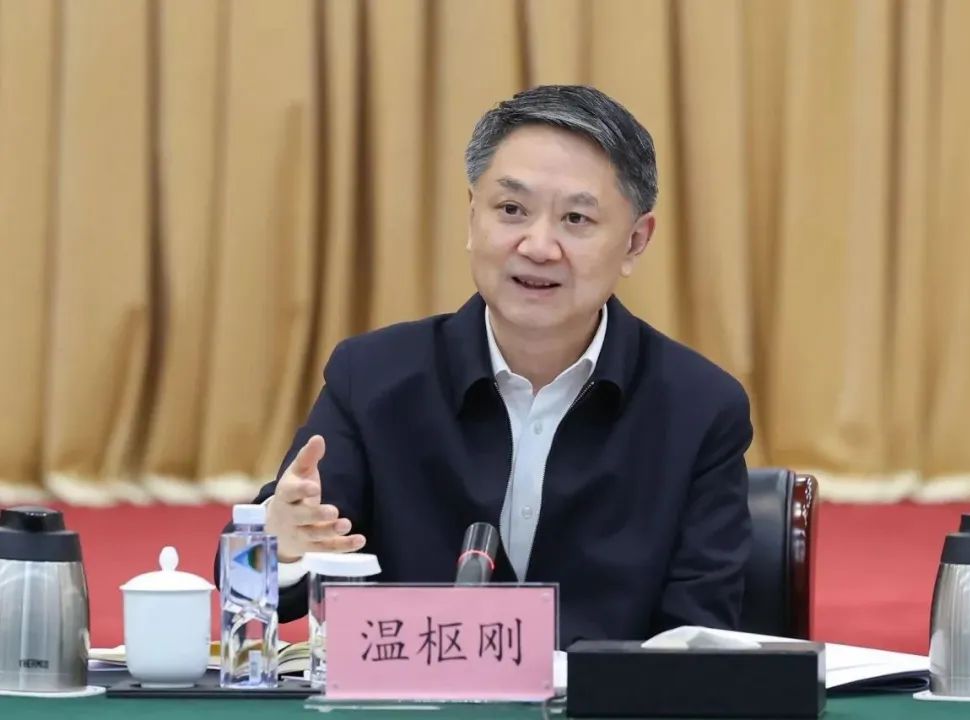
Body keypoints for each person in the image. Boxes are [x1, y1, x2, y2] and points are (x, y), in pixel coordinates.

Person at [218, 85, 753, 648]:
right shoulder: (373, 377)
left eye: (576, 218)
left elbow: (699, 636)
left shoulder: (699, 407)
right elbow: (244, 585)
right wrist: (279, 543)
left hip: (603, 696)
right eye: (511, 210)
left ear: (635, 242)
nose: (539, 246)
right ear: (473, 218)